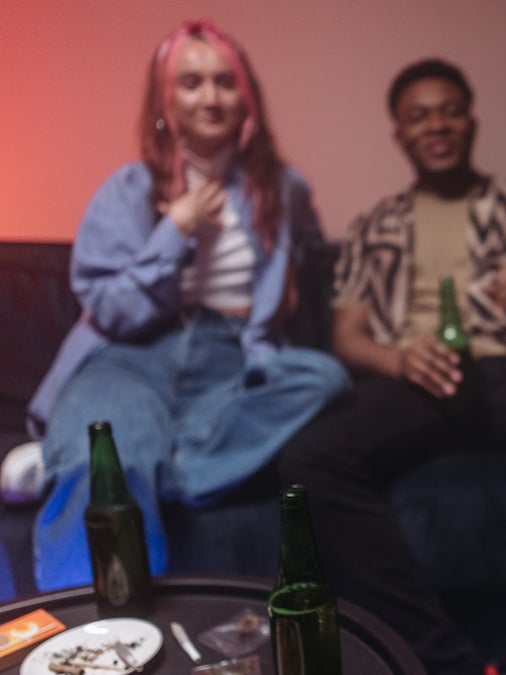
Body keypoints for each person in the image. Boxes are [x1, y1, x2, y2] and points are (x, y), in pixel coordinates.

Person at [278, 58, 506, 674]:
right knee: (309, 461)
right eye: (419, 116)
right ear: (399, 133)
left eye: (449, 110)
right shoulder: (374, 225)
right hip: (416, 377)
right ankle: (445, 663)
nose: (437, 125)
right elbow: (347, 336)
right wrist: (397, 357)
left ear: (471, 120)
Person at [28, 19, 351, 592]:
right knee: (104, 464)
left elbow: (307, 262)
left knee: (324, 377)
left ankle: (162, 465)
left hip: (232, 363)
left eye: (225, 82)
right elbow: (112, 310)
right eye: (192, 82)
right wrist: (174, 231)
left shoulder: (284, 187)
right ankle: (90, 635)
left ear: (246, 96)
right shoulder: (126, 190)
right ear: (166, 100)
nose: (211, 97)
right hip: (133, 355)